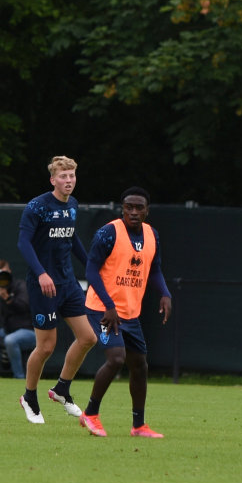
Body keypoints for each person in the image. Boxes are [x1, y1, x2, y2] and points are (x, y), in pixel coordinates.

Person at [79, 187, 172, 438]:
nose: (133, 211)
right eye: (128, 207)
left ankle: (139, 425)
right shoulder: (108, 233)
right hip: (103, 310)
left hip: (130, 313)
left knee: (140, 365)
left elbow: (155, 269)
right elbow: (91, 271)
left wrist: (165, 293)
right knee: (116, 359)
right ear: (122, 209)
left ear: (146, 210)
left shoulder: (152, 235)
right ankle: (90, 413)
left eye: (138, 207)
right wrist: (109, 305)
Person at [16, 155, 97, 423]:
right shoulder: (37, 207)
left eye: (72, 176)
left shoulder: (72, 205)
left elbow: (72, 239)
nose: (68, 180)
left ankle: (62, 389)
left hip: (68, 283)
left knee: (88, 338)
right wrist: (41, 274)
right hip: (44, 286)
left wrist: (91, 267)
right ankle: (29, 396)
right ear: (53, 180)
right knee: (47, 347)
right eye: (63, 176)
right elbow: (24, 243)